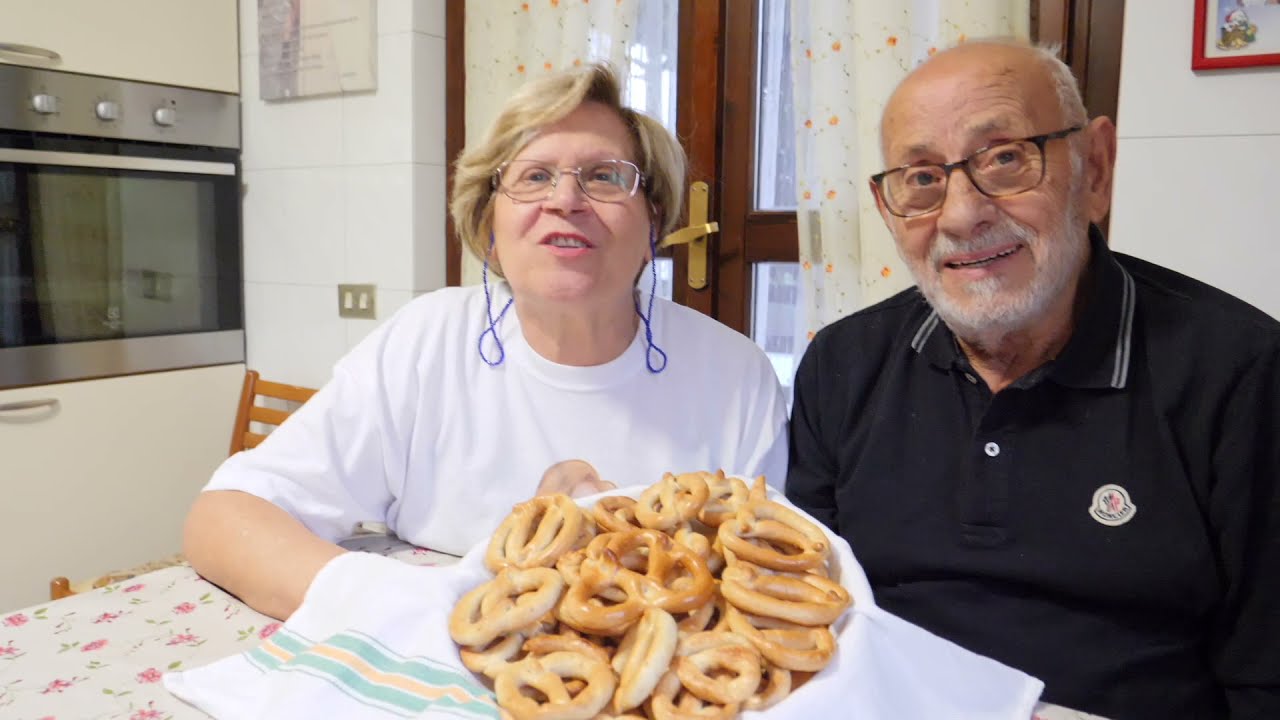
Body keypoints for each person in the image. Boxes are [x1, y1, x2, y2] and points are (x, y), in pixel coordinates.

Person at [184, 62, 788, 622]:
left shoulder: (732, 374)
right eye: (534, 176)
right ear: (489, 223)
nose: (565, 200)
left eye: (604, 176)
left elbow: (768, 583)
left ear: (653, 220)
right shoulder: (426, 341)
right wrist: (421, 609)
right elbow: (227, 515)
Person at [786, 39, 1280, 720]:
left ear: (1095, 168)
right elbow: (801, 620)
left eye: (1004, 158)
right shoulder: (843, 365)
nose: (961, 215)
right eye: (922, 178)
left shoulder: (1241, 373)